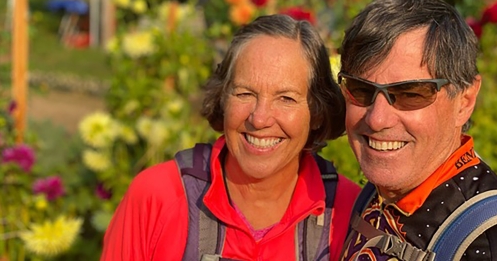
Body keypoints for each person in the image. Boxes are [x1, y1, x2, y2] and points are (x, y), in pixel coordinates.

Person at [100, 14, 361, 261]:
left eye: (286, 98)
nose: (259, 119)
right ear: (223, 98)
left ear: (316, 112)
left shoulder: (349, 213)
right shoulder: (157, 197)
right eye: (245, 93)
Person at [338, 0, 497, 260]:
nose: (377, 119)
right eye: (360, 89)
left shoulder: (493, 244)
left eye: (411, 93)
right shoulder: (378, 196)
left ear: (465, 100)